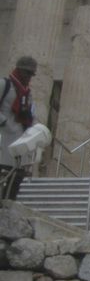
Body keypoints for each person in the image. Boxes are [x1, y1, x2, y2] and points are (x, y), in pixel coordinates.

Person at [0, 56, 37, 199]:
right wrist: (4, 122)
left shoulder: (27, 93)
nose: (29, 77)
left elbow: (31, 113)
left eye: (31, 74)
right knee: (4, 169)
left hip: (20, 137)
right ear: (19, 70)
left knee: (17, 174)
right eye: (27, 73)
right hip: (4, 135)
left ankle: (9, 201)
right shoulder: (5, 84)